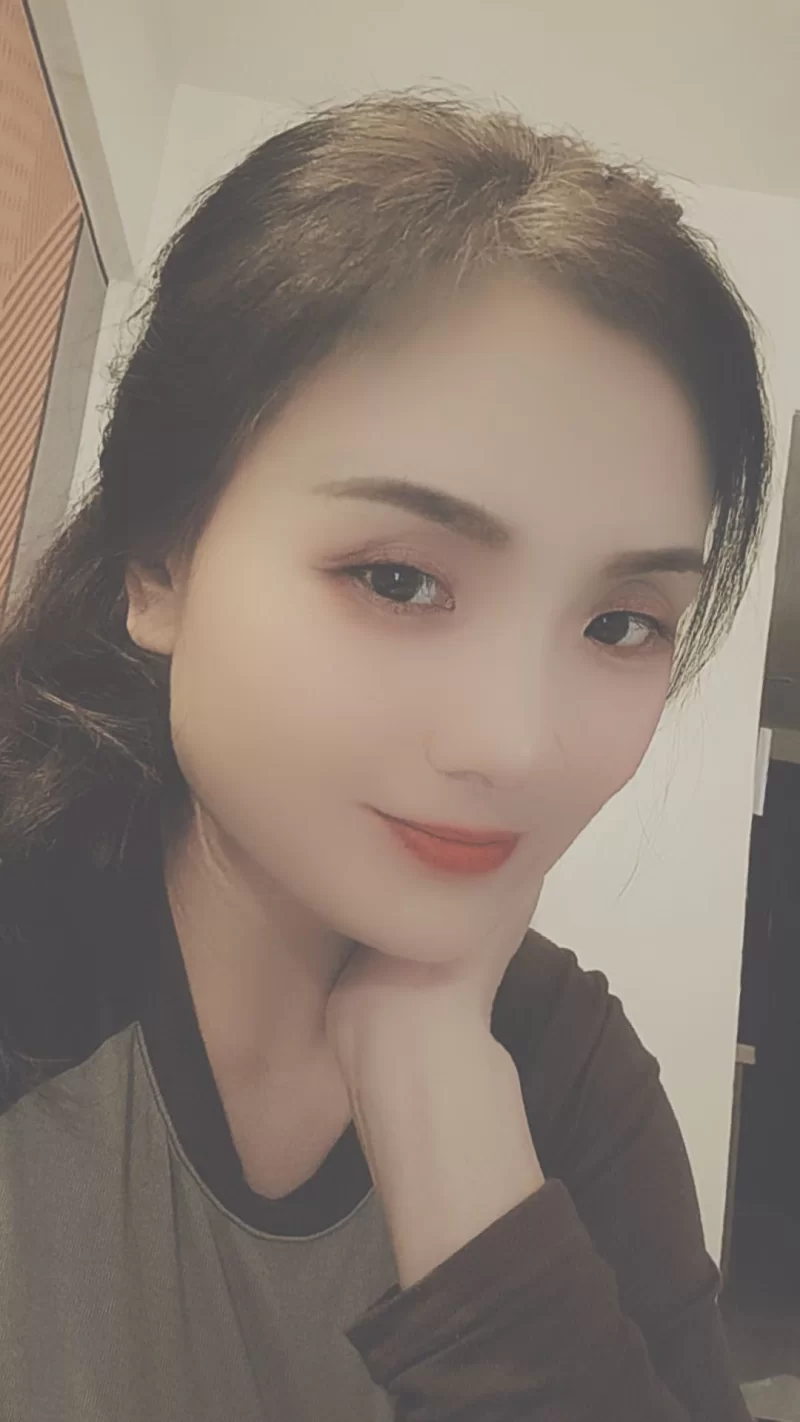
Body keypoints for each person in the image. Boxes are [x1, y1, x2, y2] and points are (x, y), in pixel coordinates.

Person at [0, 91, 771, 1421]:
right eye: (400, 579)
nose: (515, 745)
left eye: (620, 623)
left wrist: (436, 1083)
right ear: (159, 563)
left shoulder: (571, 1073)